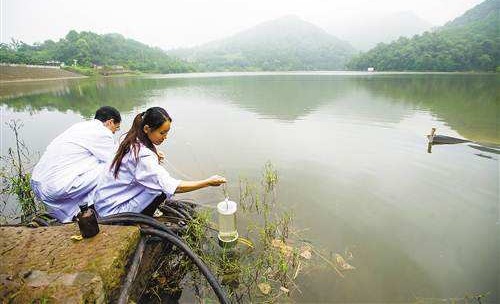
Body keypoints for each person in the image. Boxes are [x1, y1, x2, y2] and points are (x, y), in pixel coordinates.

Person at [93, 106, 226, 217]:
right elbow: (173, 187)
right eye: (162, 133)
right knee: (160, 190)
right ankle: (138, 220)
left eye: (166, 133)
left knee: (155, 183)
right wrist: (208, 182)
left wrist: (155, 154)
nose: (165, 137)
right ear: (146, 129)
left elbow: (136, 164)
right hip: (113, 211)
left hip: (104, 202)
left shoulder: (129, 139)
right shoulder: (143, 156)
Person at [31, 106, 121, 223]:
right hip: (57, 186)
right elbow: (115, 160)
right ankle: (104, 210)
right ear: (110, 122)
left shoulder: (79, 127)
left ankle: (75, 216)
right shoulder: (103, 132)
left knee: (91, 160)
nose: (114, 132)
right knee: (111, 167)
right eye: (116, 128)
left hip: (38, 183)